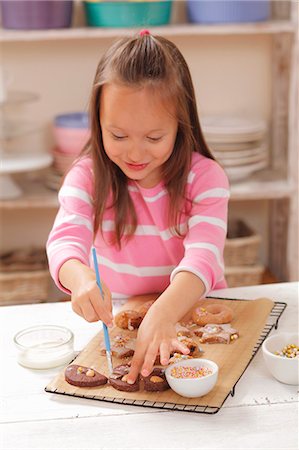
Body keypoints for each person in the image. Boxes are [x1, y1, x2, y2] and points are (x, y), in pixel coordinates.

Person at [47, 30, 230, 384]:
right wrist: (79, 276)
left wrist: (164, 312)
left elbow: (204, 257)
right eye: (117, 136)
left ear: (181, 124)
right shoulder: (86, 177)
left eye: (153, 137)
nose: (134, 154)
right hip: (123, 317)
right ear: (96, 122)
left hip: (194, 308)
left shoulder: (205, 178)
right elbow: (65, 241)